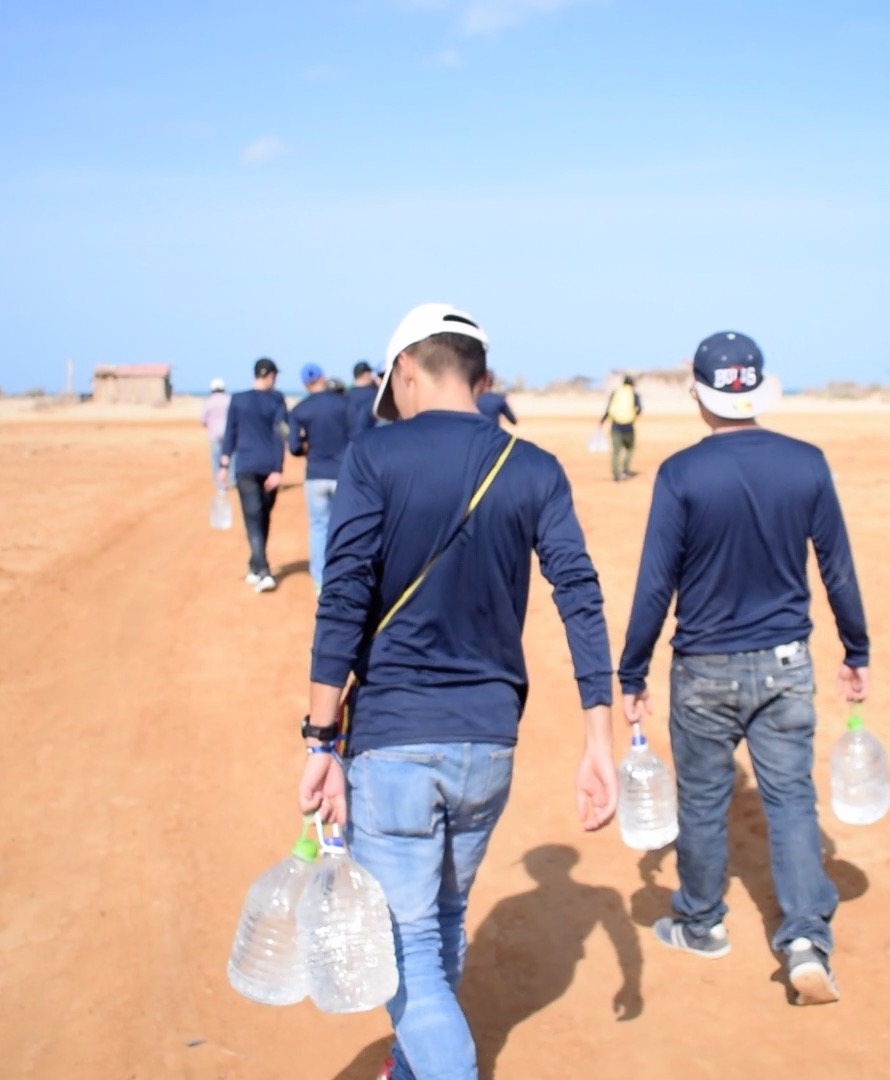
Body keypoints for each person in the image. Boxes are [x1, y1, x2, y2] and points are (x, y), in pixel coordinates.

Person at [299, 303, 619, 1080]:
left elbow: (343, 597)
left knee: (407, 942)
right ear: (478, 377)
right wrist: (599, 740)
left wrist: (318, 739)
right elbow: (579, 593)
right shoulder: (534, 466)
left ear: (407, 369)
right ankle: (412, 1070)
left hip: (397, 743)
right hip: (489, 747)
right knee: (441, 919)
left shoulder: (376, 457)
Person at [618, 331, 870, 1007]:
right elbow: (837, 567)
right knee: (790, 796)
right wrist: (856, 650)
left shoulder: (680, 474)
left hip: (703, 668)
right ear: (757, 390)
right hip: (787, 662)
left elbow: (653, 586)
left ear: (699, 395)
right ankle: (806, 941)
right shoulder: (806, 463)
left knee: (703, 800)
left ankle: (701, 923)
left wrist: (632, 671)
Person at [217, 357, 289, 592]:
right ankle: (264, 570)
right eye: (274, 375)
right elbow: (280, 434)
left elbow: (232, 433)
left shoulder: (258, 399)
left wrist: (224, 463)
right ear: (267, 375)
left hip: (257, 467)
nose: (275, 379)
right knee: (256, 516)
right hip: (256, 467)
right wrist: (225, 464)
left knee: (260, 517)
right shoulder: (259, 399)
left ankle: (254, 564)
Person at [287, 362, 352, 594]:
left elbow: (294, 447)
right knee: (345, 526)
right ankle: (345, 575)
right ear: (323, 377)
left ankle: (320, 580)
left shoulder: (299, 410)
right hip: (343, 474)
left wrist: (308, 445)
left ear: (305, 383)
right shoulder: (345, 403)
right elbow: (356, 435)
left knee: (318, 527)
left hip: (315, 474)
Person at [600, 375, 643, 481]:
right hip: (629, 426)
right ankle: (625, 469)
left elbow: (609, 408)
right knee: (630, 448)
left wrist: (602, 421)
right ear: (632, 384)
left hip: (616, 426)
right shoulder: (634, 394)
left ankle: (616, 474)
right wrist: (633, 417)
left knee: (616, 452)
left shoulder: (616, 392)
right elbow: (639, 409)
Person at [201, 377, 229, 490]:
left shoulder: (209, 401)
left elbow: (203, 418)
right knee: (230, 457)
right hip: (228, 434)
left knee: (216, 458)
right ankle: (233, 480)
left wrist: (209, 425)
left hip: (214, 434)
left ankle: (220, 484)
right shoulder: (229, 399)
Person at [347, 360, 380, 437]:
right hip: (371, 438)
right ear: (365, 374)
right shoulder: (374, 394)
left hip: (350, 440)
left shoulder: (345, 397)